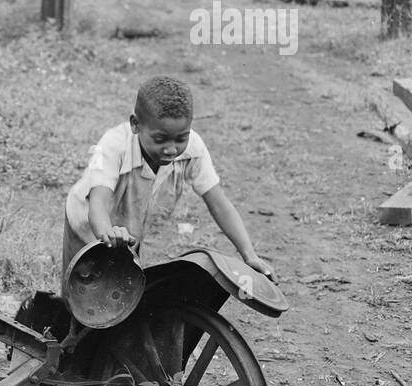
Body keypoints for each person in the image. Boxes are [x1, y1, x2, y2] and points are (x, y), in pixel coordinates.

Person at [62, 75, 275, 286]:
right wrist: (107, 233)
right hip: (87, 227)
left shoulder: (193, 149)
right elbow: (98, 203)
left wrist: (249, 255)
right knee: (81, 291)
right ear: (136, 124)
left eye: (181, 138)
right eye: (160, 139)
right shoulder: (114, 145)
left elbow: (219, 204)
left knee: (121, 289)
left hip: (128, 232)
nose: (172, 149)